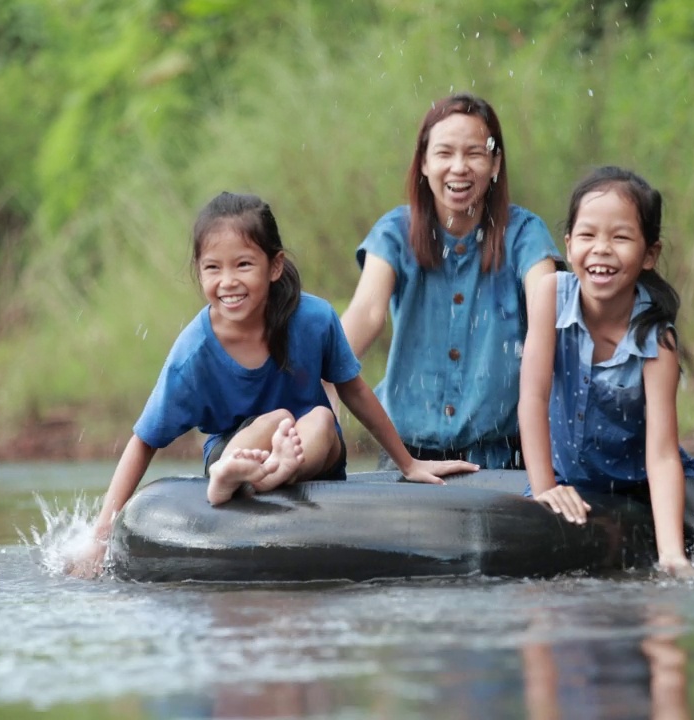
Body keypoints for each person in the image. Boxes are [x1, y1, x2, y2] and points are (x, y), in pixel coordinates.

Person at [71, 192, 477, 578]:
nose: (228, 281)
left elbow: (354, 391)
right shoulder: (193, 353)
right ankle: (238, 476)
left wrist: (408, 463)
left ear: (275, 265)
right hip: (237, 450)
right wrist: (101, 537)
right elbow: (144, 440)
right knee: (275, 419)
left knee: (318, 417)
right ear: (199, 272)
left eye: (243, 265)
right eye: (213, 268)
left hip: (309, 454)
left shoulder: (314, 319)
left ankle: (268, 475)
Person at [518, 166, 694, 576]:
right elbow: (533, 398)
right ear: (570, 243)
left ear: (650, 254)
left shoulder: (656, 340)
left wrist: (670, 555)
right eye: (588, 235)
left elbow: (663, 455)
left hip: (643, 482)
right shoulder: (550, 295)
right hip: (569, 476)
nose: (602, 249)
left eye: (621, 237)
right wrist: (545, 489)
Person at [338, 93, 562, 470]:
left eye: (474, 153)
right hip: (405, 458)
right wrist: (314, 377)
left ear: (495, 163)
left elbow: (548, 303)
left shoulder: (525, 233)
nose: (459, 167)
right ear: (424, 163)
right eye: (444, 153)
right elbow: (368, 312)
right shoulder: (395, 232)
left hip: (501, 462)